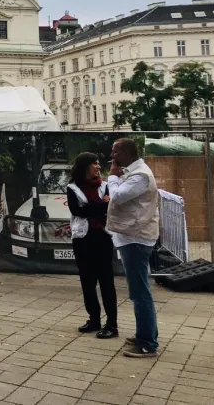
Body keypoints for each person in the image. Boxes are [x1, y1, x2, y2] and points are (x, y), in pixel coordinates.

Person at [106, 138, 160, 357]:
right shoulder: (133, 171)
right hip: (133, 236)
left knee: (140, 293)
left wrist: (111, 177)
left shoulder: (140, 175)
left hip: (136, 238)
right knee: (138, 291)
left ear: (127, 153)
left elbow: (117, 197)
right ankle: (144, 334)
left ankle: (147, 343)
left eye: (115, 152)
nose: (112, 156)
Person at [67, 152, 117, 339]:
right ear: (84, 167)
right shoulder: (72, 188)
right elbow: (77, 211)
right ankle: (94, 319)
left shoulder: (105, 186)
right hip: (82, 239)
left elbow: (109, 208)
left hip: (103, 237)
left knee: (106, 282)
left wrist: (98, 208)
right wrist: (102, 206)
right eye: (94, 163)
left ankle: (112, 324)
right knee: (87, 281)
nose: (98, 166)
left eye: (98, 163)